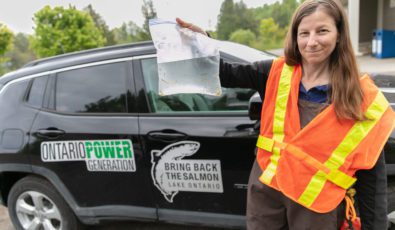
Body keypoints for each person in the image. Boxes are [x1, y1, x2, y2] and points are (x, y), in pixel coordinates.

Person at [176, 0, 395, 229]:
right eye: (304, 33)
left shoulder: (362, 99)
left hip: (316, 211)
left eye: (322, 31)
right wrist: (202, 43)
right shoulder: (275, 72)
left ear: (339, 34)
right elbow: (224, 73)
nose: (312, 42)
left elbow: (372, 179)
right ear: (295, 36)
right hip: (267, 200)